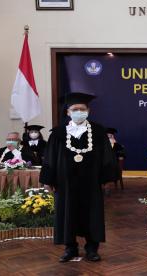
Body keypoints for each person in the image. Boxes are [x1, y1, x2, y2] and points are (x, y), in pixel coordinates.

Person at [39, 92, 117, 263]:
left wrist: (108, 179)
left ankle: (91, 249)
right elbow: (50, 158)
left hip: (91, 182)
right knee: (67, 214)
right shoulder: (58, 134)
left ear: (88, 110)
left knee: (93, 214)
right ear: (68, 112)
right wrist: (47, 180)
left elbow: (107, 156)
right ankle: (70, 248)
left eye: (82, 109)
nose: (79, 112)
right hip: (65, 182)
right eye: (75, 109)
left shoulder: (98, 132)